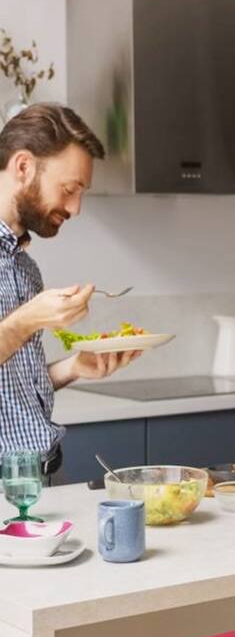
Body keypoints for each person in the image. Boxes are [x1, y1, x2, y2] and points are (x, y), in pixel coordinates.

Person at [0, 103, 141, 477]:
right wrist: (27, 321)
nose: (76, 208)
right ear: (24, 166)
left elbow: (12, 384)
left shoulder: (23, 266)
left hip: (41, 477)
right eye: (69, 189)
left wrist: (72, 368)